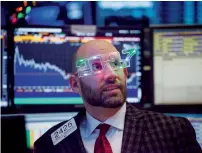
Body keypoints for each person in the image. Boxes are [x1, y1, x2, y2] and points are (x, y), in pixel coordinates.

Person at [34, 40, 202, 153]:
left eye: (116, 64)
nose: (110, 74)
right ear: (74, 84)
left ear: (126, 72)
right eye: (96, 66)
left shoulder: (172, 131)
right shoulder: (50, 144)